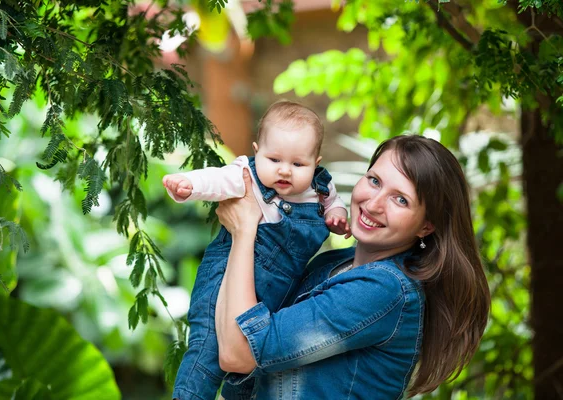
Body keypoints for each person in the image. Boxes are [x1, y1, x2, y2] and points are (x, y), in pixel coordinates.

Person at [215, 134, 491, 399]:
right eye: (374, 180)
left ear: (426, 226)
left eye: (401, 199)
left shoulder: (384, 290)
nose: (373, 204)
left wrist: (244, 230)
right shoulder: (332, 264)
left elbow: (238, 353)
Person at [163, 101, 351, 400]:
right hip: (225, 277)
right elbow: (216, 179)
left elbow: (334, 203)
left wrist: (337, 216)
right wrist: (189, 184)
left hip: (276, 292)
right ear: (256, 151)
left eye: (298, 164)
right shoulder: (246, 176)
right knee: (207, 351)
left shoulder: (320, 188)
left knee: (252, 367)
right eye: (273, 158)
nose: (284, 171)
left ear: (316, 162)